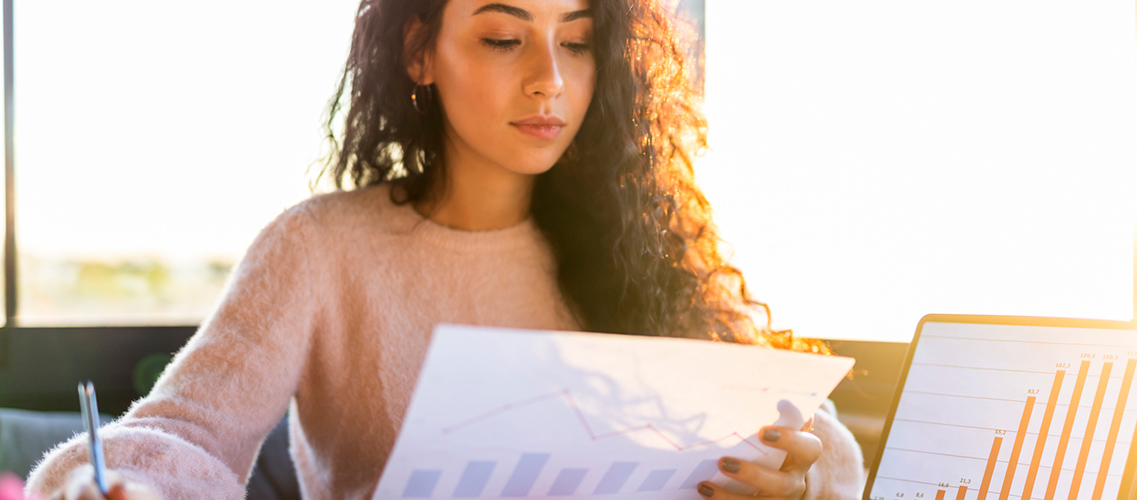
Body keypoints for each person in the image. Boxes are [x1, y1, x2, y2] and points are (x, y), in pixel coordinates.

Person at [28, 0, 864, 498]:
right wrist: (118, 486)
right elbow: (184, 437)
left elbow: (815, 431)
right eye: (504, 38)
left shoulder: (642, 246)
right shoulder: (319, 248)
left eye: (575, 41)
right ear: (419, 52)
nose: (551, 79)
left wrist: (801, 471)